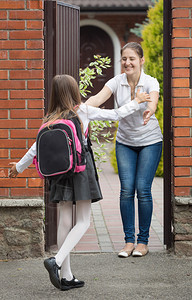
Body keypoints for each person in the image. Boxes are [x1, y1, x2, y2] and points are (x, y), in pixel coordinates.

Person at [9, 74, 151, 290]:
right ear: (74, 91)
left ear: (54, 94)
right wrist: (137, 101)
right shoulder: (81, 110)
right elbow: (116, 114)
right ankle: (56, 262)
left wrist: (18, 167)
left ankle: (66, 276)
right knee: (83, 221)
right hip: (80, 170)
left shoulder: (50, 118)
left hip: (60, 174)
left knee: (65, 220)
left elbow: (35, 148)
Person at [86, 42, 163, 258]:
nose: (127, 63)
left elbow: (153, 102)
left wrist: (149, 110)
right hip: (125, 142)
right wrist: (81, 108)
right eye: (124, 59)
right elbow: (98, 98)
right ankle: (129, 242)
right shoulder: (116, 82)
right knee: (126, 190)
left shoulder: (150, 82)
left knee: (143, 189)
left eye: (132, 59)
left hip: (150, 140)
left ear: (141, 60)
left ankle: (143, 242)